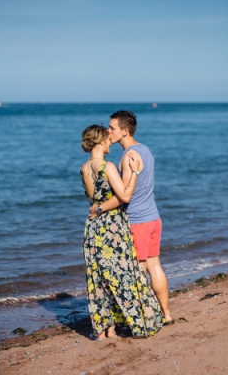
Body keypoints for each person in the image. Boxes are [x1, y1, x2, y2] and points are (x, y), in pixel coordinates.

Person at [90, 110, 174, 325]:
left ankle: (145, 319)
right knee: (155, 266)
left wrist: (99, 208)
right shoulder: (145, 150)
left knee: (139, 271)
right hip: (154, 218)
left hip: (138, 221)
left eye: (112, 128)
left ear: (124, 132)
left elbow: (124, 196)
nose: (109, 131)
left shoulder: (128, 157)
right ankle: (166, 314)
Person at [80, 124, 163, 339]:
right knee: (122, 276)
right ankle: (126, 324)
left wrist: (97, 208)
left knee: (98, 278)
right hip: (112, 226)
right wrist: (135, 172)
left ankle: (102, 331)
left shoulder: (83, 167)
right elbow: (124, 196)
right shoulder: (106, 167)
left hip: (93, 227)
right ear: (100, 142)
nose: (110, 141)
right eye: (107, 138)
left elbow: (96, 199)